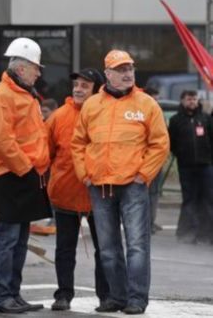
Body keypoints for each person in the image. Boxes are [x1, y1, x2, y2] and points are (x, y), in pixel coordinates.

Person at [71, 50, 169, 315]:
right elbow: (78, 142)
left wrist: (143, 175)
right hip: (99, 186)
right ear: (108, 74)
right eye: (121, 69)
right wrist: (85, 174)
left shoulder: (146, 103)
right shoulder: (92, 105)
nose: (127, 74)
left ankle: (137, 299)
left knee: (137, 245)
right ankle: (116, 297)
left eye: (130, 69)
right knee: (108, 247)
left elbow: (160, 144)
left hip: (133, 186)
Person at [0, 37, 51, 314]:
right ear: (22, 68)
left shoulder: (24, 94)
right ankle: (2, 297)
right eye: (36, 67)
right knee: (7, 239)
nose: (38, 72)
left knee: (19, 239)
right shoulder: (3, 96)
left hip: (25, 174)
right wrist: (27, 168)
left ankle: (13, 293)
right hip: (13, 176)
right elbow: (0, 141)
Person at [46, 68, 109, 311]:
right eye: (77, 84)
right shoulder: (59, 116)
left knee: (104, 250)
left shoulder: (105, 116)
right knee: (64, 249)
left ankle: (105, 296)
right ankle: (63, 295)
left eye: (85, 85)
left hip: (99, 195)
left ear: (97, 89)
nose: (78, 89)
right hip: (65, 193)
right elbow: (46, 152)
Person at [169, 90, 213, 244]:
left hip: (206, 165)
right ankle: (187, 232)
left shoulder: (205, 118)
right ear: (182, 101)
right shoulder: (176, 120)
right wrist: (180, 154)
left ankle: (207, 234)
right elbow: (171, 142)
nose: (192, 102)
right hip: (186, 166)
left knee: (208, 198)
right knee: (190, 198)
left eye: (194, 99)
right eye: (189, 99)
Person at [143, 86, 163, 233]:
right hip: (145, 162)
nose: (156, 102)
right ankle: (145, 223)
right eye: (153, 99)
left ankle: (151, 221)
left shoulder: (158, 114)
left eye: (157, 99)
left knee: (154, 194)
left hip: (157, 162)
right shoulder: (143, 114)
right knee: (145, 195)